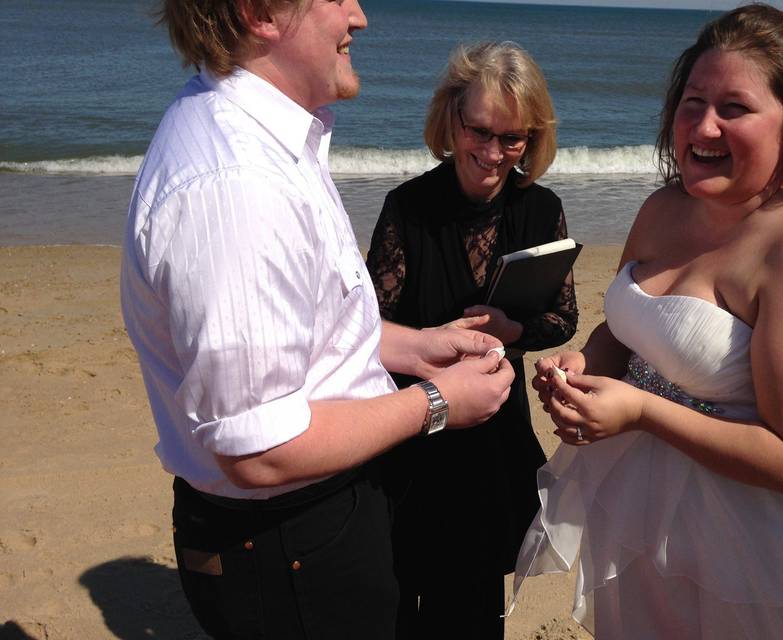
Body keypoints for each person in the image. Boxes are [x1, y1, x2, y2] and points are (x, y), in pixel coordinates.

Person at [511, 5, 783, 639]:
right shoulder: (664, 207)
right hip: (648, 522)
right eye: (692, 101)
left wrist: (641, 412)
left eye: (735, 107)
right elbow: (623, 330)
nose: (703, 125)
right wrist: (588, 364)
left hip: (764, 551)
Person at [119, 2, 515, 638]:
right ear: (261, 13)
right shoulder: (238, 183)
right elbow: (261, 449)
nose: (359, 16)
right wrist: (438, 403)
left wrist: (415, 348)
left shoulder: (267, 142)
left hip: (308, 522)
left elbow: (308, 325)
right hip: (288, 539)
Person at [365, 41, 578, 640]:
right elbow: (363, 329)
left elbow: (563, 318)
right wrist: (427, 341)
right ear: (451, 118)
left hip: (493, 439)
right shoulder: (407, 208)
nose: (491, 154)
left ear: (532, 138)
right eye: (478, 131)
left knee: (474, 608)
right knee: (400, 599)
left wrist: (515, 332)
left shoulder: (542, 209)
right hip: (413, 433)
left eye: (512, 139)